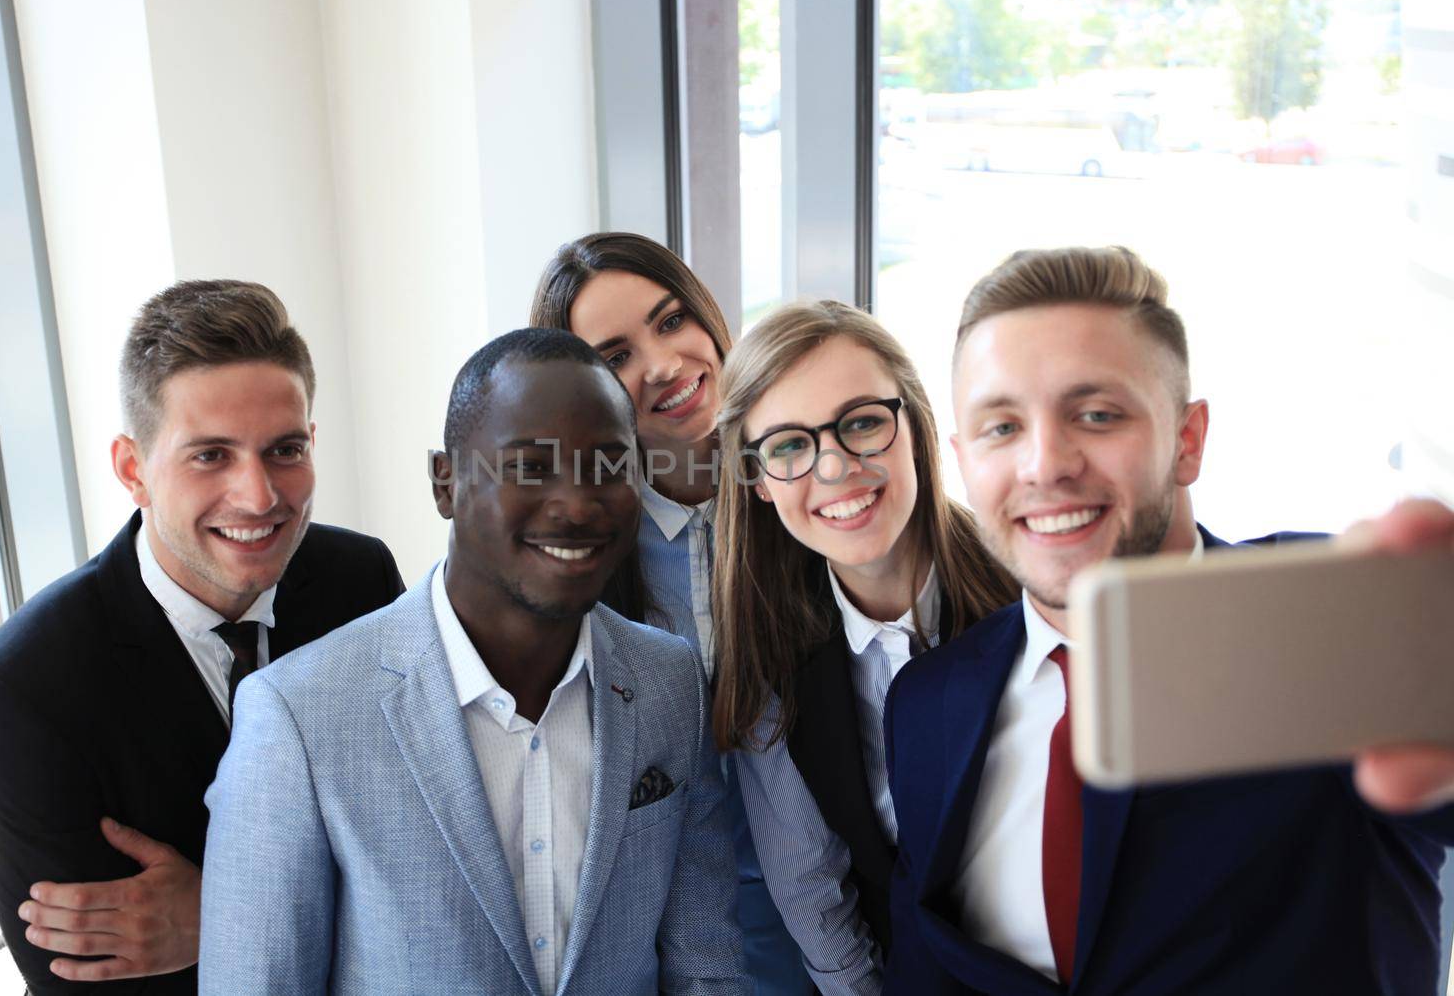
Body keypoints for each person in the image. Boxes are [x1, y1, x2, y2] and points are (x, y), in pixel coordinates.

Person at [883, 246, 1454, 994]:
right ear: (962, 460)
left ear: (1187, 439)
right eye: (1001, 428)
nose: (1045, 463)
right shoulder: (927, 702)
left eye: (1096, 414)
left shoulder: (1327, 631)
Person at [198, 328, 746, 995]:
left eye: (608, 465)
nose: (576, 503)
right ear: (445, 481)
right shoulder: (297, 717)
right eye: (528, 466)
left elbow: (707, 965)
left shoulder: (669, 680)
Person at [0, 280, 405, 993]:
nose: (259, 496)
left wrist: (218, 912)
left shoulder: (363, 580)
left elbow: (420, 852)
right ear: (133, 468)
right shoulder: (24, 687)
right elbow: (82, 980)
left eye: (283, 448)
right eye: (211, 456)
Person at [707, 300, 1017, 996]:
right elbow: (817, 899)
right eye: (789, 444)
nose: (836, 465)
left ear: (913, 424)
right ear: (755, 478)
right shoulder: (768, 665)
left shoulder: (1029, 595)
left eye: (863, 422)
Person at [532, 232, 810, 992]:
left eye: (671, 320)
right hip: (671, 940)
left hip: (832, 916)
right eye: (616, 355)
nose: (661, 365)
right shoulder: (570, 557)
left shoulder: (808, 492)